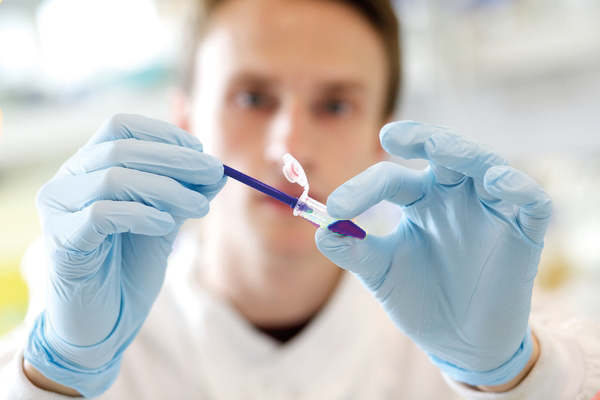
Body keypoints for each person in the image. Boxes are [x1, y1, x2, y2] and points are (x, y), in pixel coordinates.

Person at [1, 0, 599, 398]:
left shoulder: (476, 323)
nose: (291, 144)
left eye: (335, 105)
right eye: (252, 97)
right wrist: (53, 379)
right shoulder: (85, 332)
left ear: (381, 138)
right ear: (184, 117)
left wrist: (511, 376)